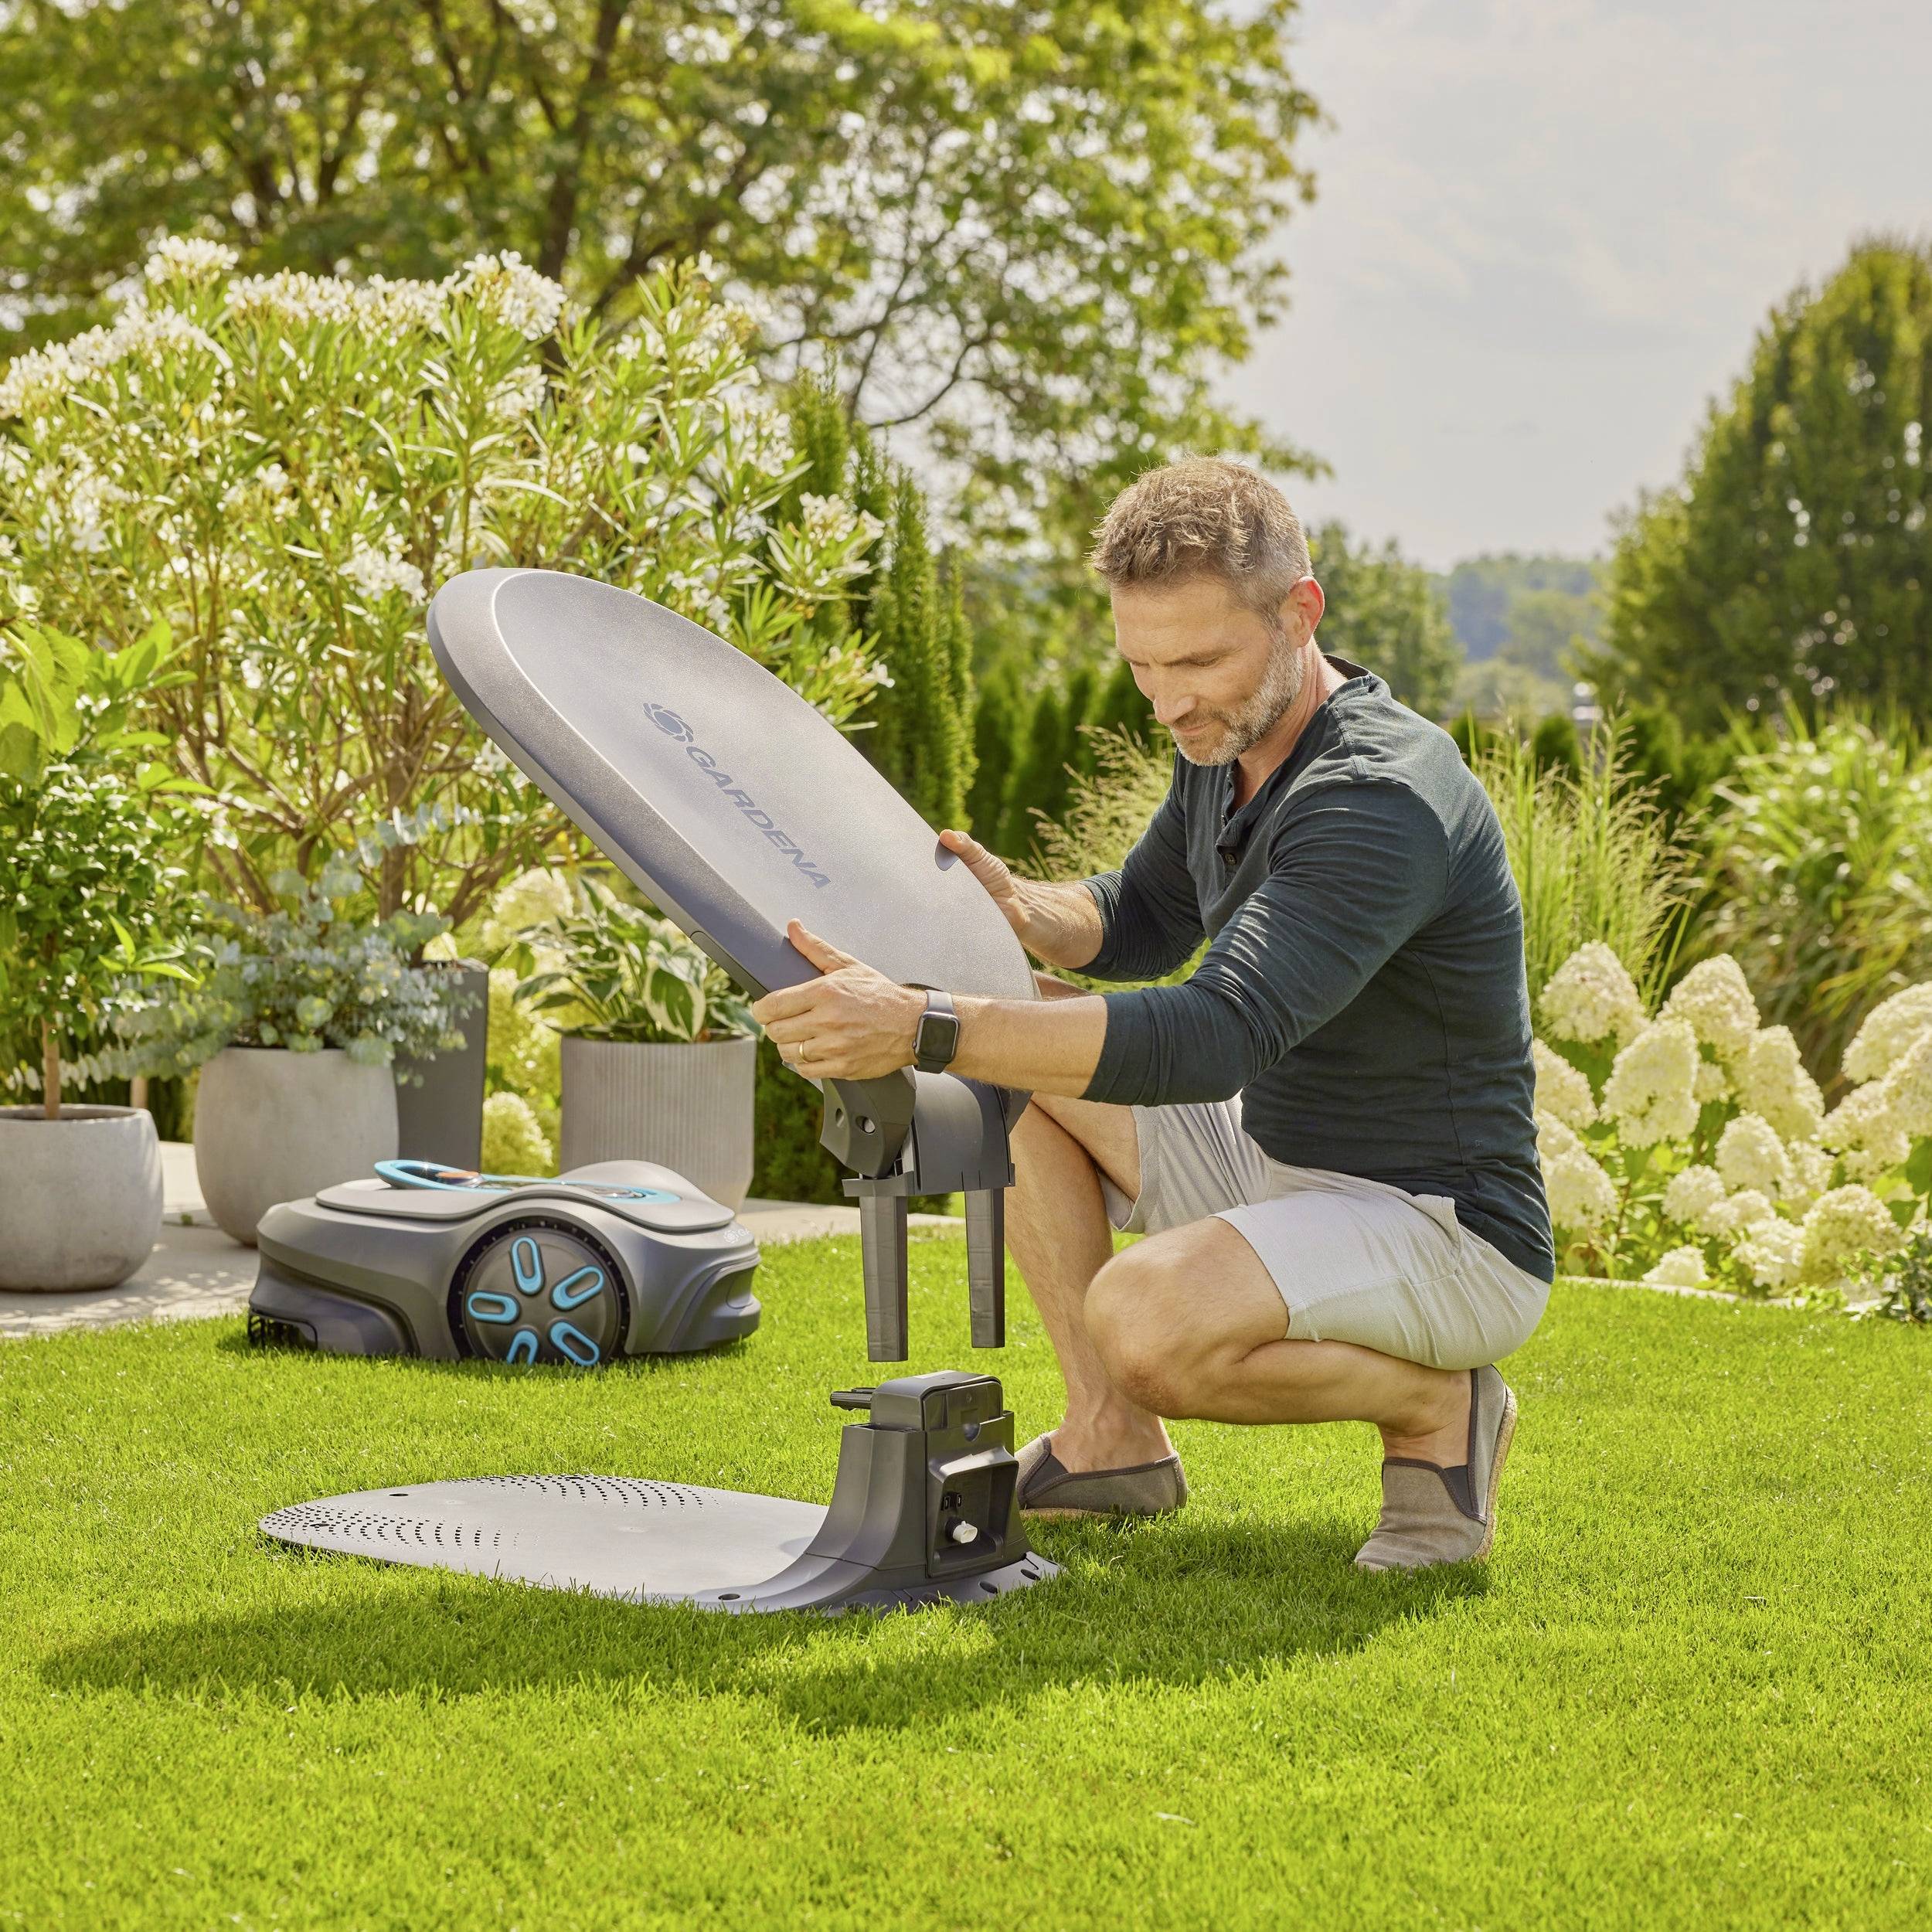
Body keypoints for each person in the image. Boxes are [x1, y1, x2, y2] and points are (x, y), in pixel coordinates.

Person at [750, 456, 1553, 1571]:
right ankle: (1110, 1439)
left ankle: (1442, 1410)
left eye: (1200, 660)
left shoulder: (1379, 798)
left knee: (1142, 1320)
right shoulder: (1226, 746)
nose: (1172, 700)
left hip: (1442, 1227)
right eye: (1142, 666)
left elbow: (1214, 1032)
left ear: (1299, 614)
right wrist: (1023, 912)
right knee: (1016, 1052)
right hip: (1280, 1162)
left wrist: (925, 1024)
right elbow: (1141, 916)